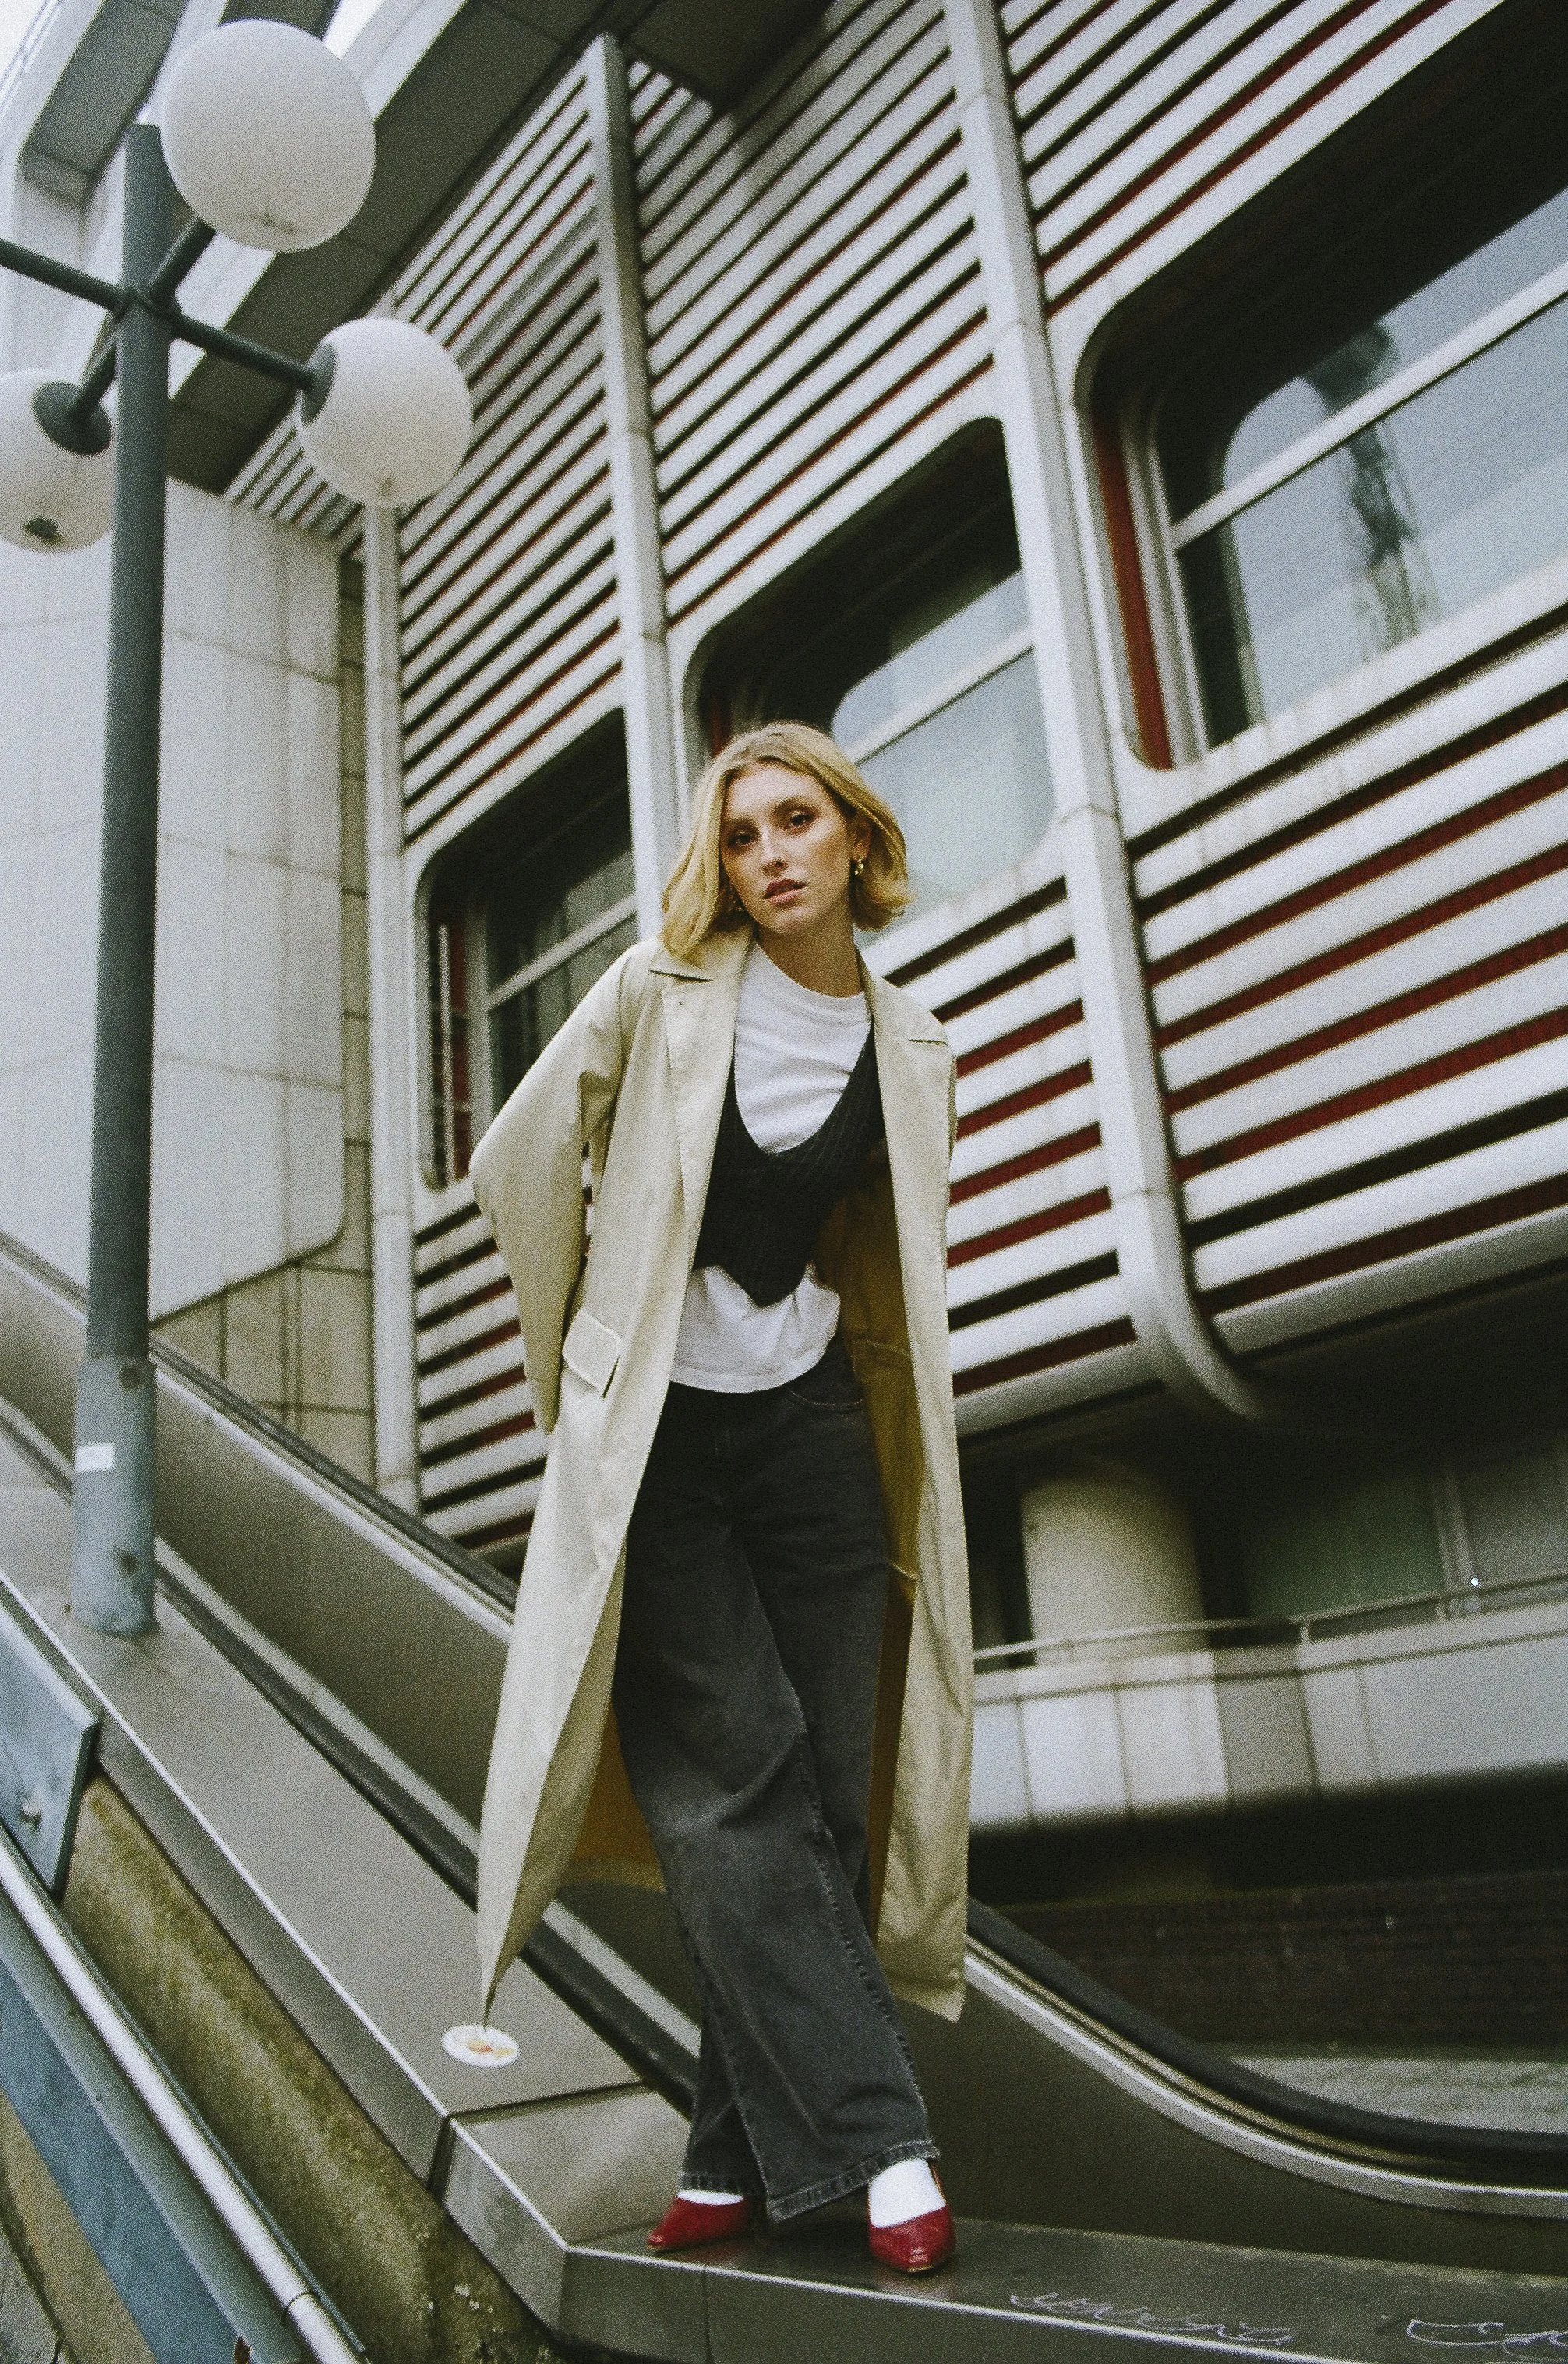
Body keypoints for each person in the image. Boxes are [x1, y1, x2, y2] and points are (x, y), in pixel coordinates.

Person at [468, 721, 973, 2274]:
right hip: (668, 1444)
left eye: (795, 822)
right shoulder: (665, 993)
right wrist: (596, 1359)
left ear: (853, 840)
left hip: (816, 1422)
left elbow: (883, 1243)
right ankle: (883, 2145)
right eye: (741, 832)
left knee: (822, 1791)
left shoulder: (913, 1044)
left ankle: (727, 2153)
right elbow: (516, 1157)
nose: (767, 853)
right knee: (729, 1776)